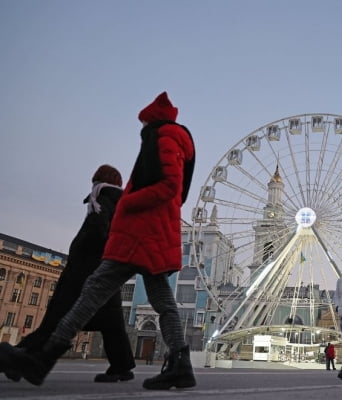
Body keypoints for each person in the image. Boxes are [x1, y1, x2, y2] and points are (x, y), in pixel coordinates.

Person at [0, 92, 196, 390]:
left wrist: (129, 203)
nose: (141, 126)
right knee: (162, 302)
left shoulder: (162, 137)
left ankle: (43, 358)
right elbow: (176, 191)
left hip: (141, 233)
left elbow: (170, 185)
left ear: (151, 119)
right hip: (156, 231)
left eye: (143, 121)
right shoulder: (173, 139)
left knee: (92, 291)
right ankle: (181, 365)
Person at [0, 165, 135, 383]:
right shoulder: (121, 202)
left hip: (84, 272)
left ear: (97, 179)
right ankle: (122, 365)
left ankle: (20, 357)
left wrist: (86, 252)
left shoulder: (102, 196)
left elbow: (98, 228)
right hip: (107, 271)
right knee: (112, 322)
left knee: (56, 318)